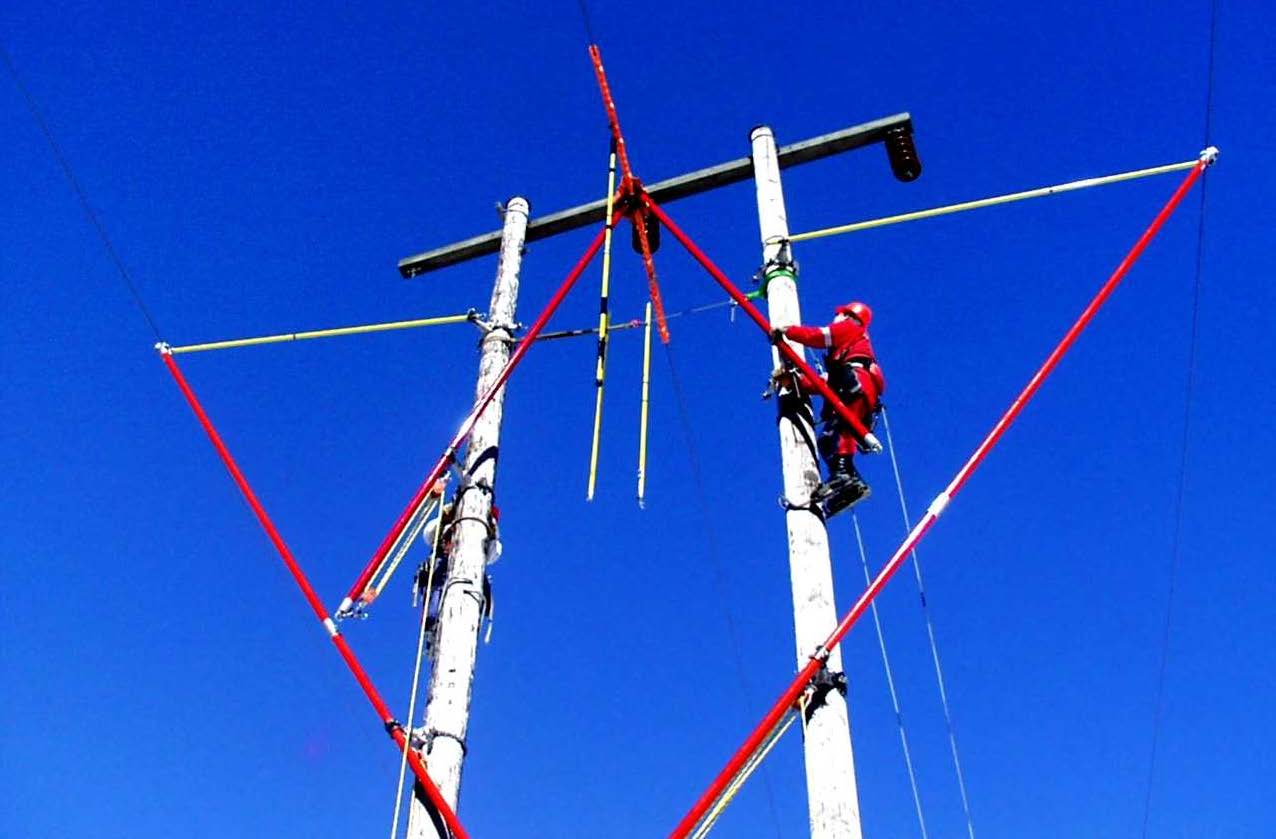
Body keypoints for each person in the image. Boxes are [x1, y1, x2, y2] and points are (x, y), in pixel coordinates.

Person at [773, 301, 885, 516]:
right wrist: (794, 381)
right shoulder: (843, 354)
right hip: (854, 389)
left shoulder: (852, 327)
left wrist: (787, 331)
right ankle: (850, 483)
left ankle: (843, 476)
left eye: (838, 315)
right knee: (827, 440)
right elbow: (825, 384)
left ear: (847, 315)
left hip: (856, 386)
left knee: (841, 430)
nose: (835, 318)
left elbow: (819, 335)